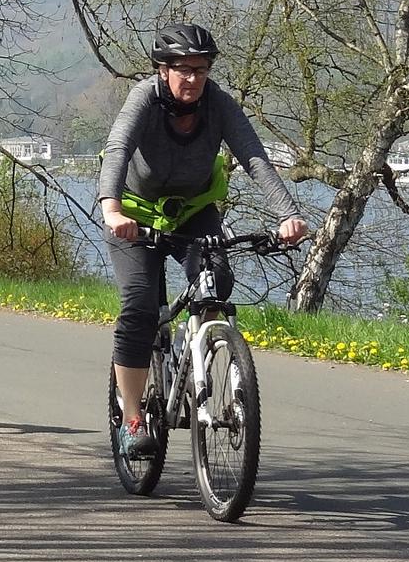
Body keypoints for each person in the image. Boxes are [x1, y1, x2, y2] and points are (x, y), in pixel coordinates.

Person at [99, 23, 310, 458]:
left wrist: (288, 213)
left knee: (217, 280)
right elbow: (119, 148)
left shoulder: (219, 105)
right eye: (182, 69)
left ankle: (199, 346)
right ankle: (134, 416)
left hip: (193, 212)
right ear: (163, 70)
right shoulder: (144, 99)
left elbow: (254, 157)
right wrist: (112, 209)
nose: (192, 78)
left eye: (201, 69)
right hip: (135, 216)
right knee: (139, 307)